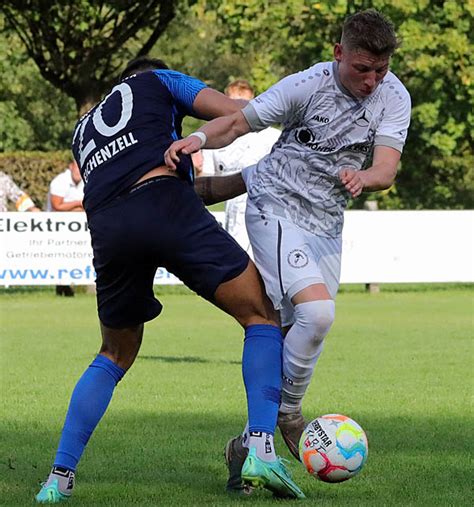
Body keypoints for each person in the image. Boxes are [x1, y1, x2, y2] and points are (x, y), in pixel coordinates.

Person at [35, 56, 305, 503]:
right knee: (262, 316)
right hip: (163, 204)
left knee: (114, 353)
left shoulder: (83, 129)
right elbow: (237, 113)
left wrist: (250, 177)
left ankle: (57, 479)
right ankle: (260, 445)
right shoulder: (159, 80)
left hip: (109, 228)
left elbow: (163, 185)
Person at [165, 8, 411, 480]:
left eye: (380, 71)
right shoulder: (305, 85)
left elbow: (387, 167)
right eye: (362, 69)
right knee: (319, 313)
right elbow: (238, 124)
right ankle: (289, 416)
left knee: (295, 331)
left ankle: (247, 447)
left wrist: (365, 176)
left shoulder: (394, 95)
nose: (372, 82)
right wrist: (197, 138)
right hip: (275, 206)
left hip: (326, 222)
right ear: (338, 53)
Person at [203, 79, 280, 252]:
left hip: (267, 208)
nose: (239, 107)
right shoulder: (213, 138)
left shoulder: (272, 137)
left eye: (244, 102)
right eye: (233, 102)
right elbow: (207, 180)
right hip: (232, 208)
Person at [47, 160, 84, 296]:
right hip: (56, 227)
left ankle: (66, 286)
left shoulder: (85, 181)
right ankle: (62, 286)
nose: (79, 172)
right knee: (61, 257)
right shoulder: (60, 181)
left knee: (76, 256)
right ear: (71, 167)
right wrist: (78, 204)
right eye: (76, 168)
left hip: (77, 227)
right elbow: (57, 206)